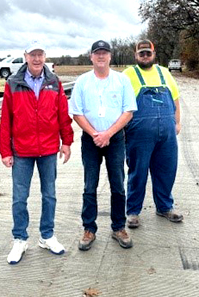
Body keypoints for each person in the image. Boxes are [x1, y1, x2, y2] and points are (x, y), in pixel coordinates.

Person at [0, 39, 74, 264]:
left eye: (40, 54)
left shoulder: (54, 82)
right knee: (19, 197)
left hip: (49, 148)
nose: (37, 58)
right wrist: (5, 150)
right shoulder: (13, 83)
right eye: (33, 54)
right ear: (25, 56)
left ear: (45, 56)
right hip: (21, 150)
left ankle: (47, 235)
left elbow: (63, 113)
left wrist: (67, 141)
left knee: (49, 194)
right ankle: (20, 239)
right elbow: (6, 120)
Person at [69, 40, 137, 251]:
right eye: (97, 53)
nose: (101, 56)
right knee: (90, 185)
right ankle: (89, 229)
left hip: (115, 138)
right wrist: (95, 134)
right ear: (91, 57)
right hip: (90, 139)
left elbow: (128, 111)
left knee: (117, 183)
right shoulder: (82, 82)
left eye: (104, 53)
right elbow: (77, 112)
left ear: (110, 56)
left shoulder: (122, 80)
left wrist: (108, 133)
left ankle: (118, 227)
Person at [122, 39, 184, 229]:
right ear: (136, 55)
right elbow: (120, 105)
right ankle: (133, 211)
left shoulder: (164, 73)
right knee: (137, 172)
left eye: (148, 53)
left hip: (166, 133)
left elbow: (175, 99)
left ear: (154, 54)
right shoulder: (127, 75)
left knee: (166, 170)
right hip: (138, 134)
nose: (145, 56)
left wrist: (177, 122)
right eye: (141, 53)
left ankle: (165, 207)